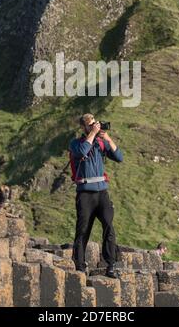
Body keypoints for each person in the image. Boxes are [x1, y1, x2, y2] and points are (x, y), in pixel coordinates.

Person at [69, 113, 123, 278]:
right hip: (85, 194)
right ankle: (79, 264)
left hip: (102, 193)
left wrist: (107, 137)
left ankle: (111, 264)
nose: (94, 127)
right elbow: (82, 151)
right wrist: (92, 133)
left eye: (95, 124)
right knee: (83, 230)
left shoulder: (100, 143)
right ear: (84, 127)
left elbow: (119, 157)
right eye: (91, 125)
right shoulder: (75, 144)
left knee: (109, 226)